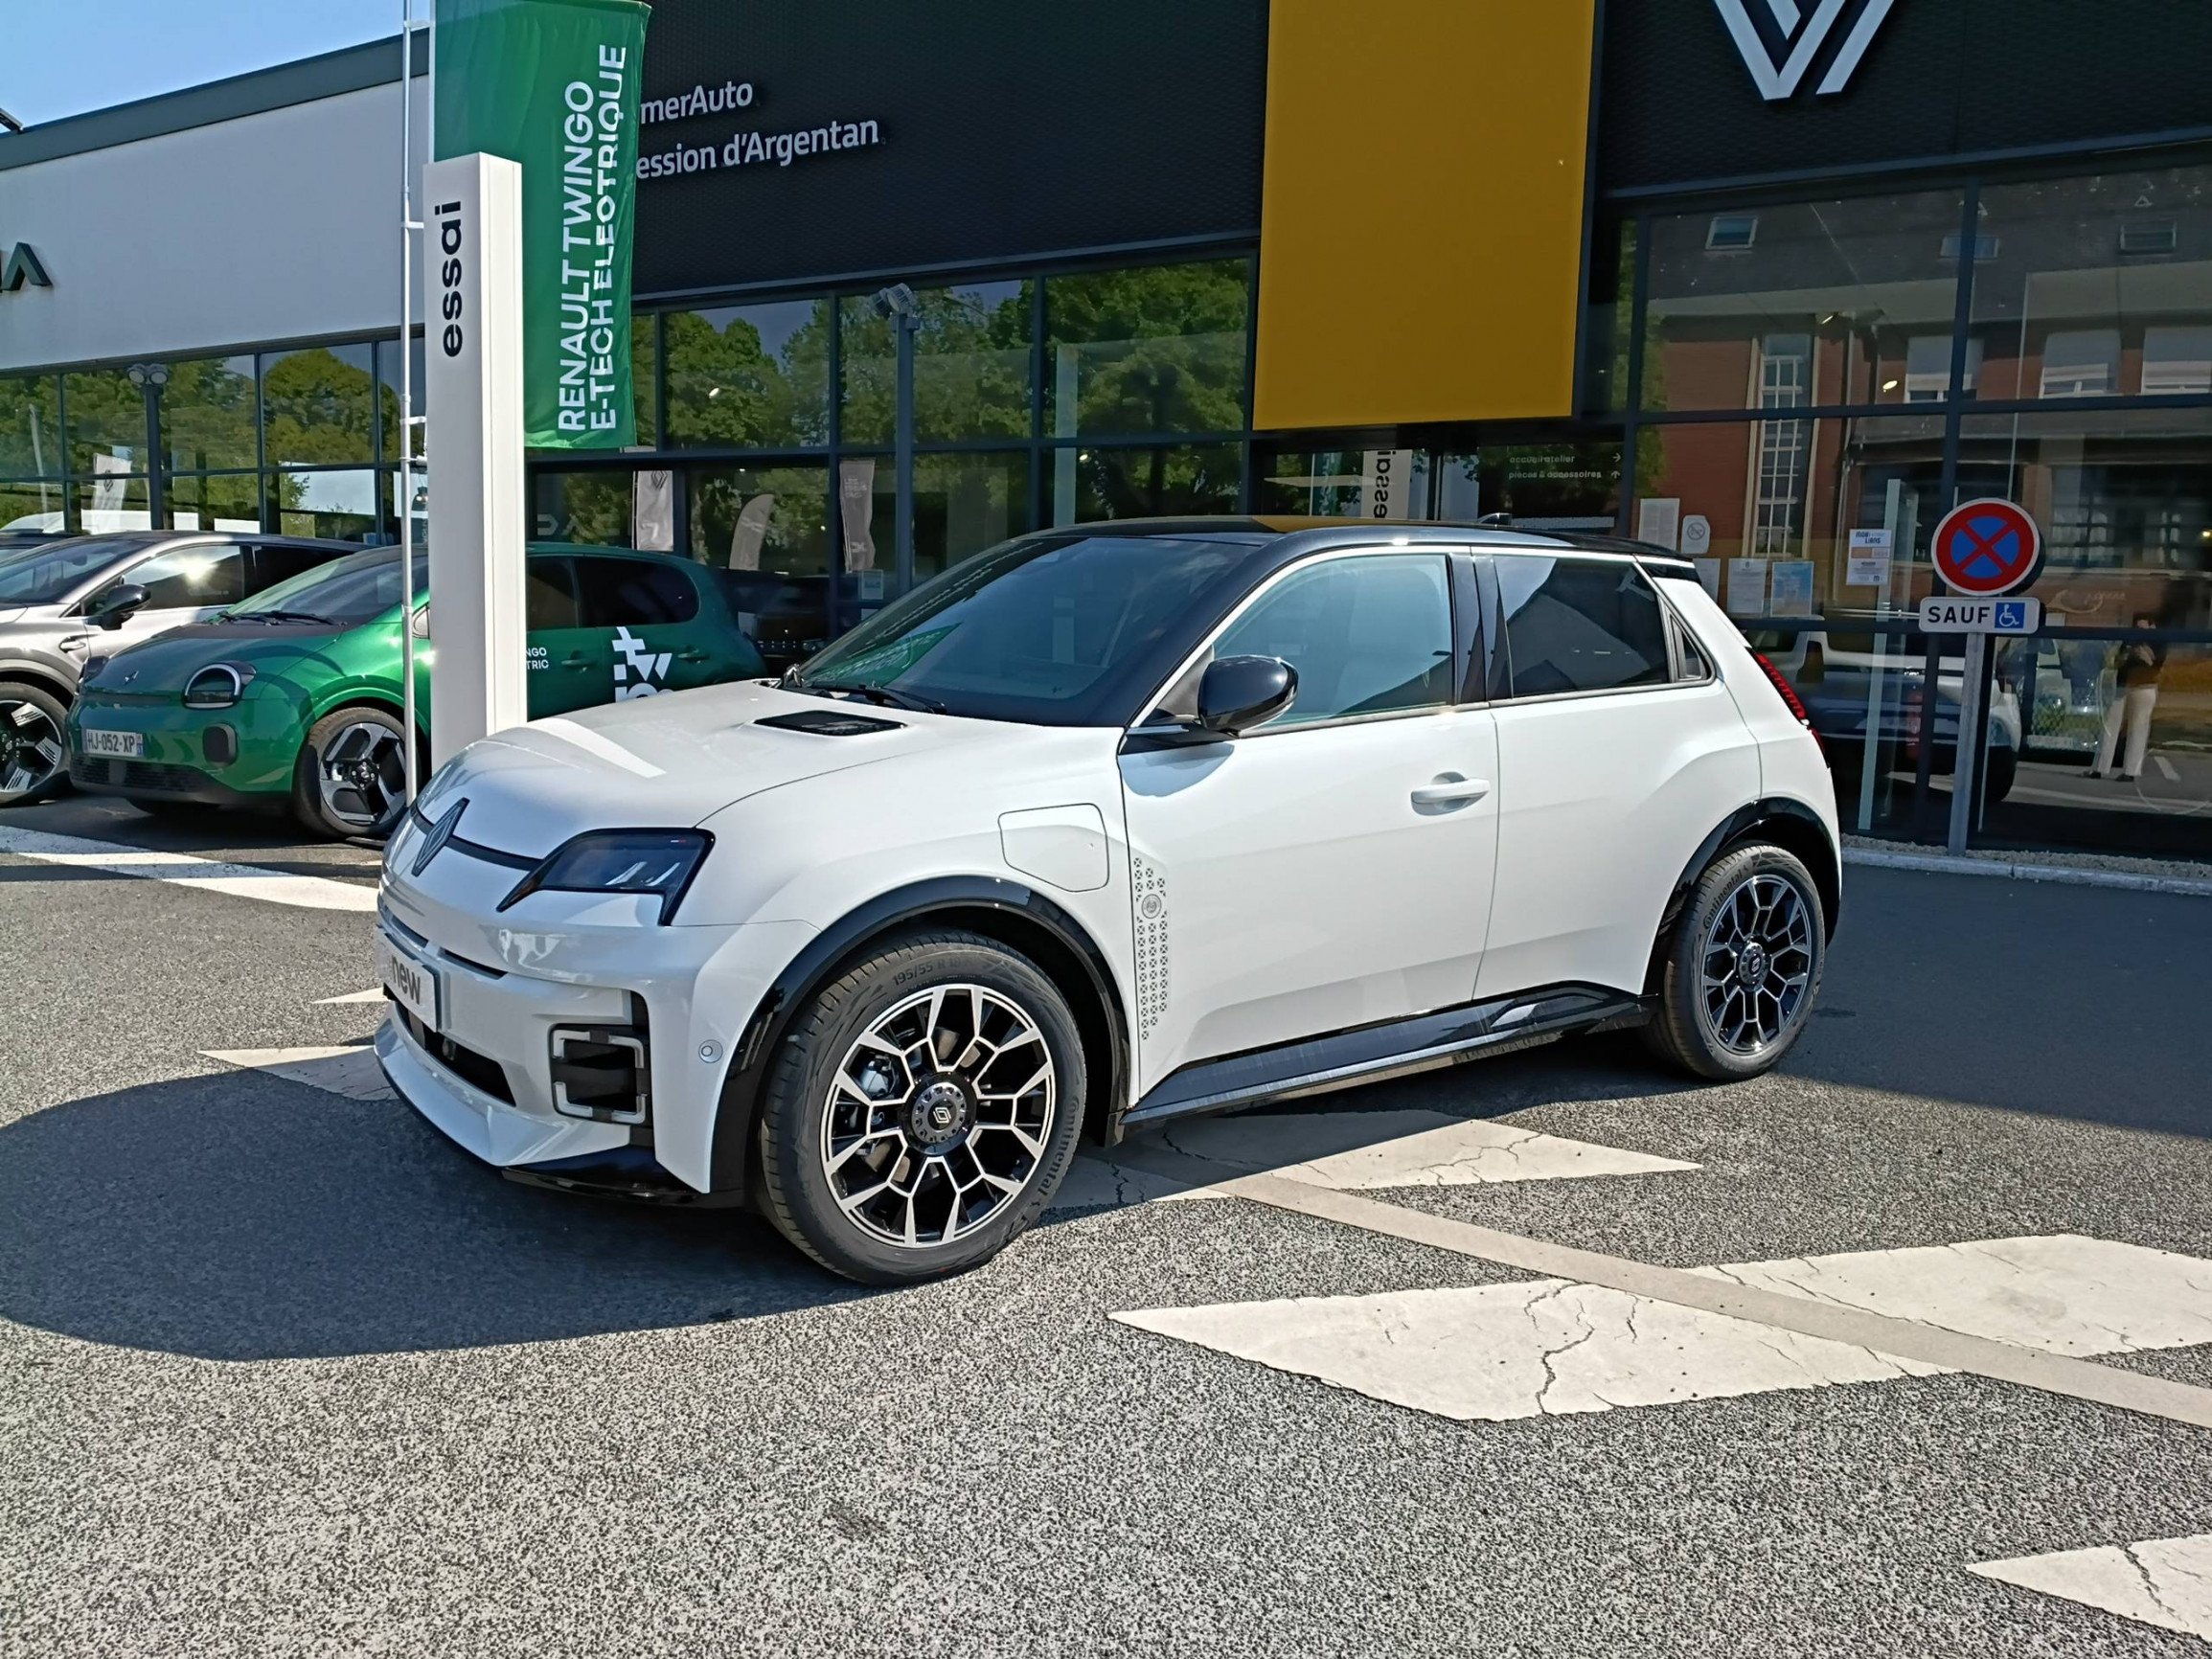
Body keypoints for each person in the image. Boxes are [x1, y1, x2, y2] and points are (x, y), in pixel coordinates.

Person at [2087, 612, 2169, 782]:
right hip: (2123, 684)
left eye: (2141, 627)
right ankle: (2099, 767)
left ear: (2150, 624)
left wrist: (2143, 654)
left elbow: (2155, 663)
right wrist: (2124, 656)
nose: (2138, 631)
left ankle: (2131, 771)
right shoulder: (2131, 638)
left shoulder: (2160, 640)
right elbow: (2117, 659)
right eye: (2136, 627)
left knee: (2138, 728)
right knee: (2110, 724)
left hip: (2145, 685)